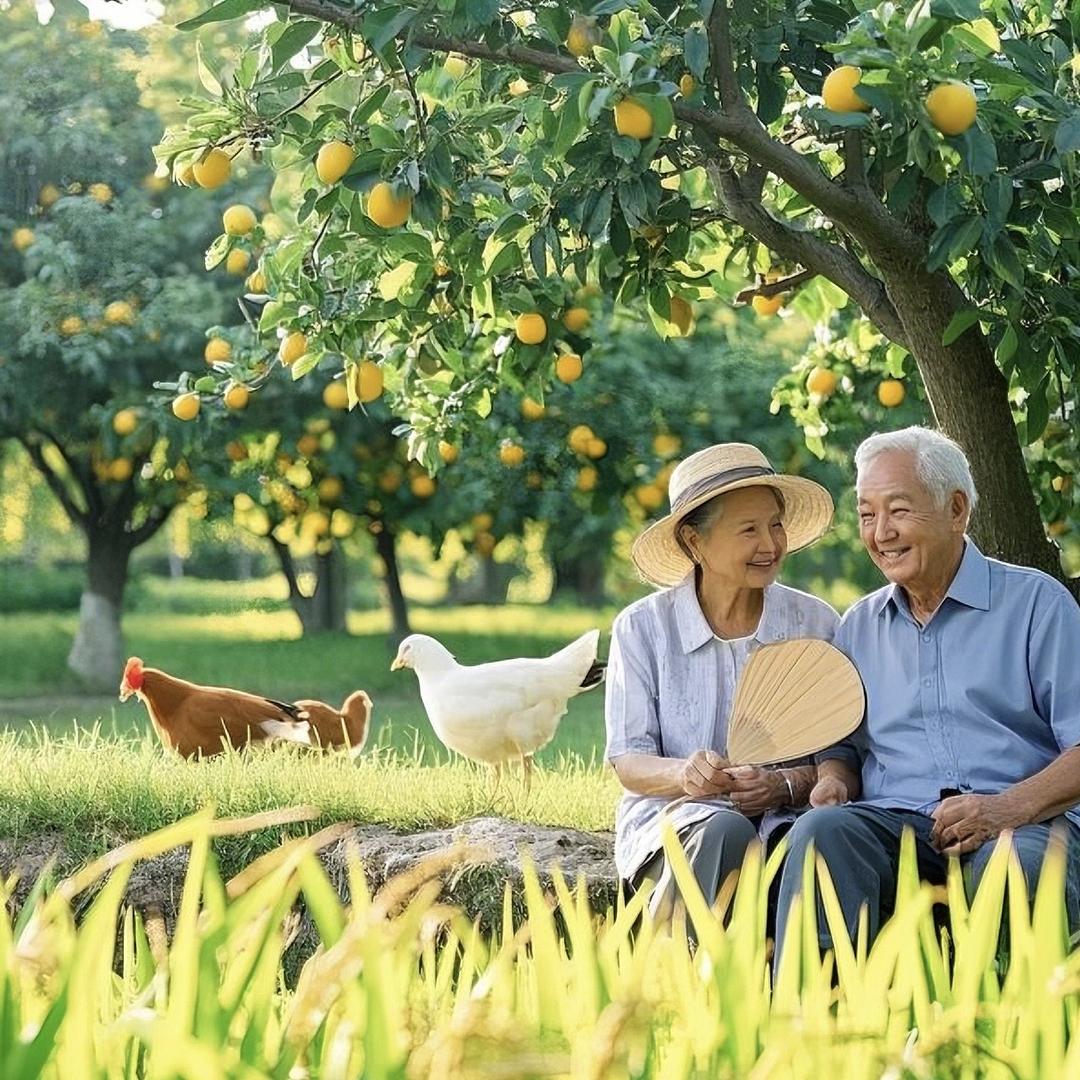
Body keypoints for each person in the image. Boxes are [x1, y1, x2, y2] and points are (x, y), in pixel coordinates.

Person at [775, 426, 1080, 959]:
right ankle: (812, 1029)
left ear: (956, 509)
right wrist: (833, 780)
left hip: (1026, 823)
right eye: (867, 515)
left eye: (897, 510)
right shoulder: (858, 627)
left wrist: (1005, 809)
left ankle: (1014, 1033)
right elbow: (844, 751)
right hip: (898, 824)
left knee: (1016, 866)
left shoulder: (1037, 605)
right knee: (823, 830)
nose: (880, 532)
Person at [604, 442, 838, 933]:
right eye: (748, 530)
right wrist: (685, 774)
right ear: (694, 542)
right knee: (724, 828)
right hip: (677, 823)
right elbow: (629, 761)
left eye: (775, 524)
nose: (771, 544)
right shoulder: (643, 628)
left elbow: (842, 755)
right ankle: (693, 988)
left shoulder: (815, 623)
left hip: (787, 821)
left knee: (819, 837)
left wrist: (783, 785)